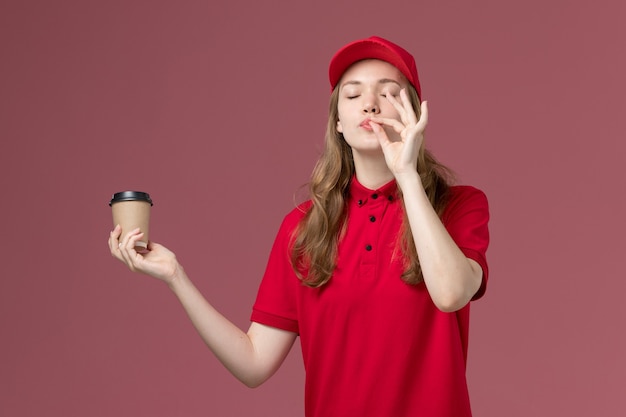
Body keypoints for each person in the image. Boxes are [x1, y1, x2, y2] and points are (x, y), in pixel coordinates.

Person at [109, 35, 490, 417]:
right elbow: (254, 363)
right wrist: (176, 276)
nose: (370, 104)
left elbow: (451, 293)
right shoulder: (304, 228)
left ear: (414, 113)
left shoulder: (459, 206)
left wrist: (405, 174)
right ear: (338, 122)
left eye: (389, 93)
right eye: (353, 95)